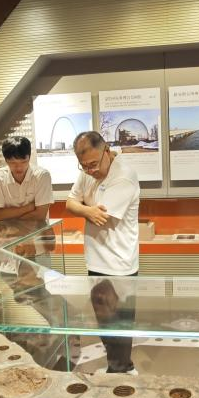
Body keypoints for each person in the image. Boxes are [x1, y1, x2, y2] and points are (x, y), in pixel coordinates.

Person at [65, 131, 141, 375]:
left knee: (118, 324)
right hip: (96, 259)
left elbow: (102, 217)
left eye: (94, 164)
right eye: (84, 166)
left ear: (106, 150)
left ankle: (120, 372)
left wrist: (83, 208)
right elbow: (69, 203)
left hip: (118, 262)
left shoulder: (124, 177)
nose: (90, 170)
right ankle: (120, 369)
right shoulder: (88, 171)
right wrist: (87, 210)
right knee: (104, 322)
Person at [0, 136, 52, 222]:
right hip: (8, 230)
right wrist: (29, 207)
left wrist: (10, 215)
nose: (19, 168)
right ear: (6, 160)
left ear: (29, 158)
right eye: (13, 162)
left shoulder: (42, 175)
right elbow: (0, 215)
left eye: (23, 162)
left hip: (38, 229)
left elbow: (40, 215)